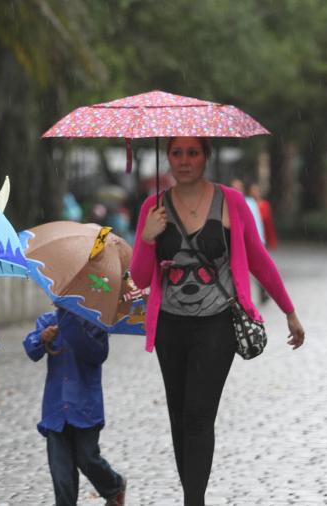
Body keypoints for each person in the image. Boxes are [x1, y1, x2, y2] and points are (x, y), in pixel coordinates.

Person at [131, 137, 306, 505]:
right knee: (179, 416)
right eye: (176, 153)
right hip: (169, 326)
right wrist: (148, 238)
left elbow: (258, 257)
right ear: (169, 158)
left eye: (192, 153)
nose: (184, 161)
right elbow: (140, 279)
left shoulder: (231, 201)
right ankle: (192, 494)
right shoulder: (154, 205)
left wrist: (288, 311)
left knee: (198, 414)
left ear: (205, 157)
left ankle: (194, 501)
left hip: (217, 323)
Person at [23, 309, 127, 506]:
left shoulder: (96, 323)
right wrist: (41, 338)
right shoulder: (48, 320)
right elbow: (31, 350)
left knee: (87, 458)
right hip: (56, 410)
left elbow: (96, 354)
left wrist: (71, 324)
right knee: (60, 471)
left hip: (85, 408)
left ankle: (114, 485)